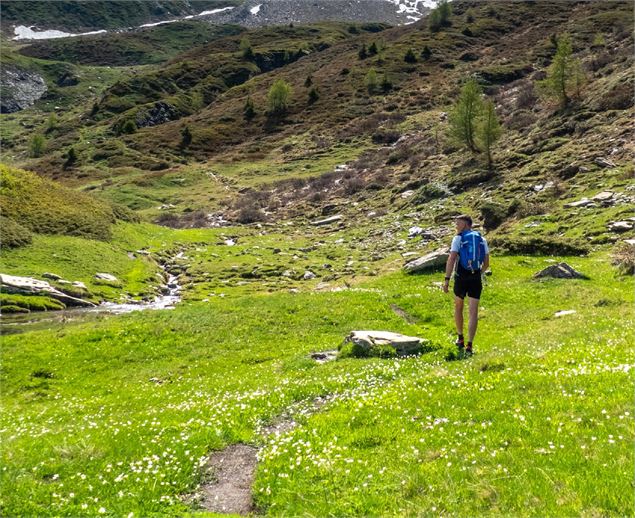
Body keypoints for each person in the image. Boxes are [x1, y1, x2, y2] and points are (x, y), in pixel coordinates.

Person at [442, 215, 489, 356]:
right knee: (473, 312)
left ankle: (460, 337)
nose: (456, 225)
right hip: (475, 278)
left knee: (458, 306)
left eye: (458, 223)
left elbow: (451, 259)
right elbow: (486, 263)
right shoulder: (482, 239)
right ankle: (470, 344)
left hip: (461, 277)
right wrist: (477, 273)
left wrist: (446, 279)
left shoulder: (458, 238)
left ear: (466, 224)